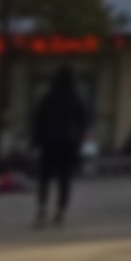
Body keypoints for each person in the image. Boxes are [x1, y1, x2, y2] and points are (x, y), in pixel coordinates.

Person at [31, 68, 90, 227]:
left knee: (44, 177)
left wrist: (35, 141)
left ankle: (42, 208)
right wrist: (79, 139)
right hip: (69, 143)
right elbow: (84, 121)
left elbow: (37, 120)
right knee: (65, 178)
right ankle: (61, 211)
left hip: (49, 142)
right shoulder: (76, 98)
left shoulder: (48, 98)